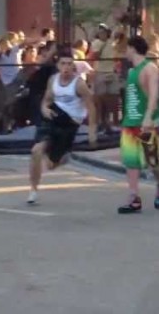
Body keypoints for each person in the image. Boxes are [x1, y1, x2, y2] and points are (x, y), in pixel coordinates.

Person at [28, 47, 98, 205]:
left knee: (52, 165)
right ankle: (33, 190)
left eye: (69, 64)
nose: (66, 67)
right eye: (63, 63)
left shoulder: (79, 84)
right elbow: (46, 100)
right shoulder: (53, 80)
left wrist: (92, 131)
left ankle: (62, 157)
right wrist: (44, 108)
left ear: (74, 66)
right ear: (58, 65)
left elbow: (91, 107)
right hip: (53, 117)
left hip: (69, 123)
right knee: (36, 151)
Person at [118, 35, 159, 214]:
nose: (125, 52)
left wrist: (148, 117)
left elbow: (154, 94)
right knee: (130, 161)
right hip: (130, 121)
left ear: (133, 48)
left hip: (147, 123)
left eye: (127, 48)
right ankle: (134, 198)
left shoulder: (149, 68)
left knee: (152, 161)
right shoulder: (131, 71)